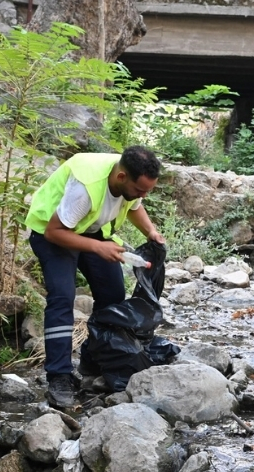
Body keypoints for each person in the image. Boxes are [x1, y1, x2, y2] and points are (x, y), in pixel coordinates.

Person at [24, 146, 165, 408]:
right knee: (62, 299)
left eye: (148, 191)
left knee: (112, 295)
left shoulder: (130, 177)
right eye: (140, 190)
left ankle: (93, 358)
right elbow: (55, 232)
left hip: (90, 231)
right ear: (122, 178)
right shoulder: (85, 188)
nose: (143, 196)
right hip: (52, 233)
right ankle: (59, 377)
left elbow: (134, 206)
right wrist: (99, 248)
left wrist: (151, 233)